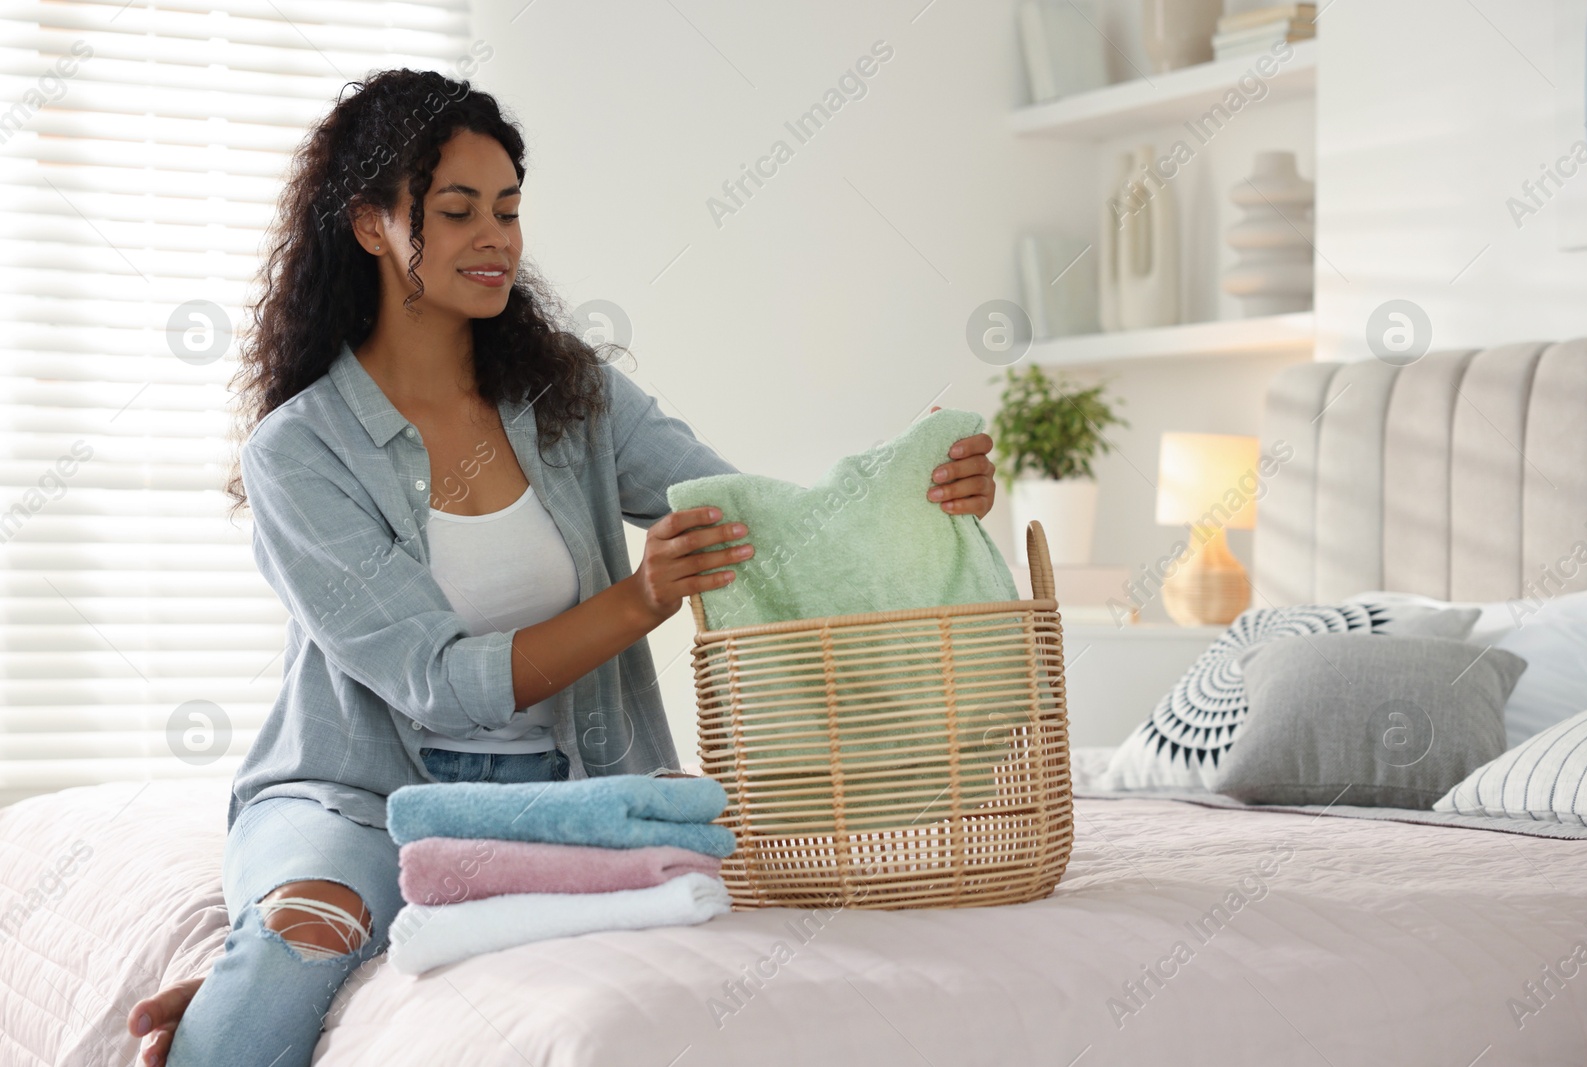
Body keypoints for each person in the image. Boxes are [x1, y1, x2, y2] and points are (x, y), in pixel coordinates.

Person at [124, 67, 998, 1067]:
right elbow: (440, 684)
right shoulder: (299, 451)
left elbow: (753, 520)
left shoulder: (569, 393)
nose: (495, 236)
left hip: (570, 789)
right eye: (456, 211)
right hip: (357, 797)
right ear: (371, 224)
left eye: (507, 208)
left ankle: (314, 973)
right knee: (305, 930)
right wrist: (643, 597)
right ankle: (294, 956)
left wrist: (911, 485)